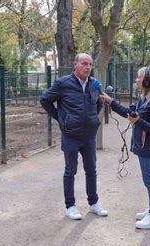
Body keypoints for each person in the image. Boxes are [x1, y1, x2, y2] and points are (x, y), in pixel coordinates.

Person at [40, 53, 108, 220]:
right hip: (71, 135)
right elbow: (45, 100)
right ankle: (70, 206)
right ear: (75, 65)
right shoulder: (62, 84)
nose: (88, 67)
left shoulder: (94, 85)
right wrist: (61, 119)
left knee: (91, 170)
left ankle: (94, 203)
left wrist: (92, 119)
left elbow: (99, 103)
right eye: (84, 63)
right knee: (70, 171)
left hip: (89, 136)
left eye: (90, 64)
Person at [100, 66, 150, 229]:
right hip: (142, 145)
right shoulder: (145, 98)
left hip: (149, 146)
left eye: (138, 78)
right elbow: (129, 114)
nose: (136, 80)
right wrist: (111, 102)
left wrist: (138, 121)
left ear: (147, 81)